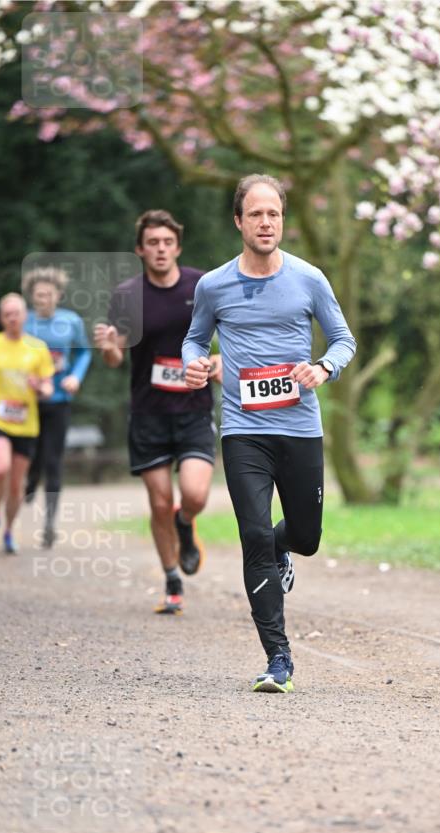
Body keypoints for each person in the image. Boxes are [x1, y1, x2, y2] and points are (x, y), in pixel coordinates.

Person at [183, 174, 356, 692]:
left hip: (300, 427)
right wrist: (195, 363)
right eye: (255, 214)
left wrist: (324, 368)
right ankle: (278, 658)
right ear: (238, 221)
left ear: (283, 219)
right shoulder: (213, 285)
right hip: (243, 430)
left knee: (305, 537)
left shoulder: (309, 279)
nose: (265, 222)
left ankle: (284, 551)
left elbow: (344, 340)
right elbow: (194, 339)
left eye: (273, 214)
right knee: (254, 534)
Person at [94, 209, 221, 614]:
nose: (161, 249)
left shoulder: (201, 285)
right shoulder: (127, 295)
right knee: (159, 502)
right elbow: (116, 357)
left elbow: (229, 332)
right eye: (153, 243)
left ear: (178, 246)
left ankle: (187, 524)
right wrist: (110, 348)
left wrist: (219, 362)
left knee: (195, 495)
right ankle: (171, 581)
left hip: (194, 408)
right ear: (140, 250)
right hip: (149, 412)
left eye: (167, 242)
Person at [22, 265, 92, 548]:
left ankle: (49, 523)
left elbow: (84, 351)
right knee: (34, 458)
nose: (43, 300)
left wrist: (75, 376)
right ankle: (29, 483)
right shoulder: (24, 322)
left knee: (53, 460)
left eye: (47, 295)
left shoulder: (70, 321)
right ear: (32, 297)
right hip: (28, 402)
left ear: (58, 296)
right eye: (38, 296)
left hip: (59, 400)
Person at [0, 293, 54, 553]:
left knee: (17, 486)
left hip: (26, 425)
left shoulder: (37, 348)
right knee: (1, 468)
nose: (13, 318)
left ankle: (8, 530)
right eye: (7, 314)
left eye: (16, 313)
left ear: (24, 315)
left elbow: (49, 388)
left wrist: (39, 387)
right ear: (1, 319)